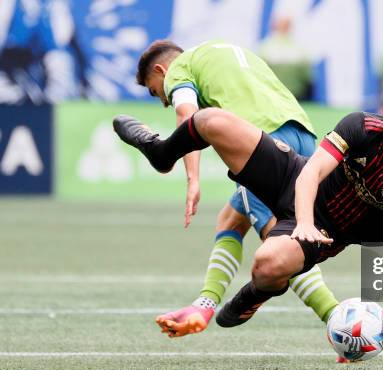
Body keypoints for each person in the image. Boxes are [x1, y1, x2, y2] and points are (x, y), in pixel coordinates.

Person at [113, 76, 383, 340]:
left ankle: (256, 294)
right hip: (295, 178)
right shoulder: (362, 125)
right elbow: (311, 172)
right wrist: (302, 221)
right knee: (212, 120)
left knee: (267, 264)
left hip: (327, 232)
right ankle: (161, 154)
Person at [135, 39, 339, 339]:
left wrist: (192, 179)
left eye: (156, 91)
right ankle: (205, 304)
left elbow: (187, 119)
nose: (163, 101)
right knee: (232, 218)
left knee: (280, 240)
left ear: (161, 68)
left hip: (260, 143)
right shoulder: (232, 52)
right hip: (304, 137)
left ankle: (339, 321)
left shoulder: (180, 68)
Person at [259, 16, 312, 101]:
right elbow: (307, 77)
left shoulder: (265, 47)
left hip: (273, 94)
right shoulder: (299, 49)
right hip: (294, 95)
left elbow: (259, 74)